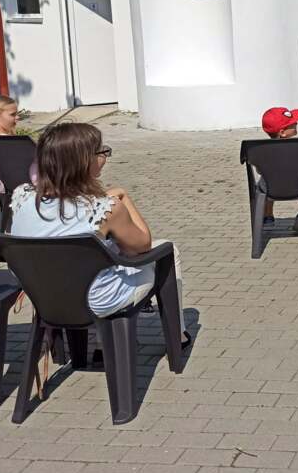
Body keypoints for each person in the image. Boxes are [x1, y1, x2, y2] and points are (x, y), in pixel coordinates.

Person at [10, 123, 190, 346]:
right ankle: (177, 335)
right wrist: (123, 198)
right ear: (84, 161)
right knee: (168, 250)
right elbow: (142, 246)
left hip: (44, 298)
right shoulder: (104, 208)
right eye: (101, 152)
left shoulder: (22, 197)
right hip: (96, 302)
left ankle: (102, 347)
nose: (105, 157)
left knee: (103, 253)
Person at [260, 106, 298, 231]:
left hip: (269, 188)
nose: (296, 123)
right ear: (282, 132)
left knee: (267, 177)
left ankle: (267, 216)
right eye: (292, 123)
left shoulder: (261, 150)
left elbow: (259, 170)